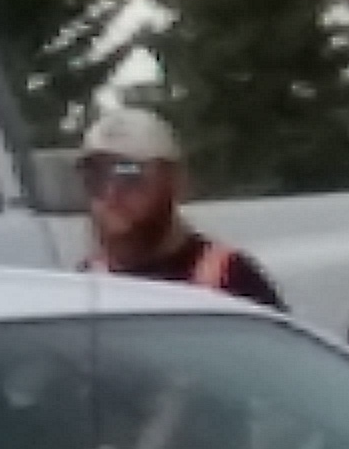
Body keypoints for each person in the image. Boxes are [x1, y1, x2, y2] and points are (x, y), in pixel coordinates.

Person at [76, 98, 284, 309]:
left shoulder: (232, 281)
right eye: (95, 177)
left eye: (128, 174)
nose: (111, 193)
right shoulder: (84, 284)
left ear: (175, 181)